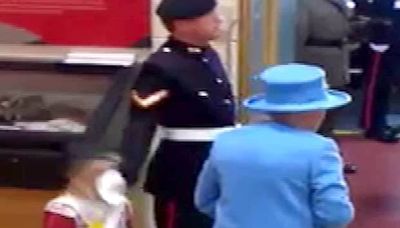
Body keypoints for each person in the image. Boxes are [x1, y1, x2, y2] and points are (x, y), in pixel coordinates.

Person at [119, 0, 235, 227]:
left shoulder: (208, 55)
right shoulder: (162, 65)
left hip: (217, 160)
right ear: (182, 24)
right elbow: (140, 123)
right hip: (182, 169)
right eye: (209, 15)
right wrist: (126, 170)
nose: (219, 20)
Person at [195, 64, 354, 228]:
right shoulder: (320, 149)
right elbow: (335, 214)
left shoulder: (226, 141)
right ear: (316, 111)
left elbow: (204, 200)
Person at [296, 0, 358, 173]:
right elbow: (300, 36)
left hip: (338, 60)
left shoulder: (340, 3)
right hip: (316, 62)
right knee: (314, 118)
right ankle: (313, 163)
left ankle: (330, 160)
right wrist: (302, 70)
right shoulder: (307, 4)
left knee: (331, 116)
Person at [43, 152, 134, 228]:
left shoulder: (121, 205)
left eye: (112, 170)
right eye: (98, 172)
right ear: (75, 176)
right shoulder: (65, 209)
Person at [360, 0, 400, 142]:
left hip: (393, 42)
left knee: (386, 87)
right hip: (382, 43)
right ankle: (373, 126)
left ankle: (380, 122)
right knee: (377, 86)